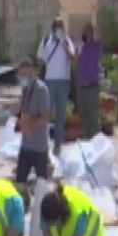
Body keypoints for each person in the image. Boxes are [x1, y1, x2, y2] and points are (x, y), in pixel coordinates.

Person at [36, 17, 77, 154]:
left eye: (61, 26)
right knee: (46, 114)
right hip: (49, 82)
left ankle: (57, 146)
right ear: (53, 28)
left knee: (60, 116)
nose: (59, 29)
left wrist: (64, 45)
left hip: (63, 82)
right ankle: (44, 144)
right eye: (57, 26)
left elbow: (72, 57)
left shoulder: (67, 41)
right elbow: (40, 60)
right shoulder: (46, 41)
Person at [14, 57, 55, 186]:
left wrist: (31, 129)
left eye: (25, 75)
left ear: (32, 72)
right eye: (21, 75)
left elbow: (45, 116)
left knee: (42, 184)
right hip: (25, 145)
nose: (23, 78)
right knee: (20, 181)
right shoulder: (25, 89)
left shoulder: (42, 90)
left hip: (39, 146)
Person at [75, 22, 102, 138]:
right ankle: (86, 140)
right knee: (83, 116)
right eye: (84, 31)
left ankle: (95, 139)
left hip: (92, 87)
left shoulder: (96, 46)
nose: (85, 33)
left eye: (88, 31)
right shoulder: (81, 48)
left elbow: (101, 34)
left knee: (93, 117)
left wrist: (94, 28)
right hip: (81, 88)